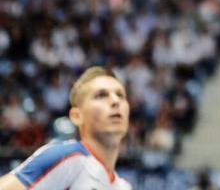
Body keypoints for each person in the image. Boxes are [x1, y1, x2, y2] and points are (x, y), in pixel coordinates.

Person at [0, 67, 132, 190]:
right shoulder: (67, 158)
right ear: (76, 116)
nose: (115, 101)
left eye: (120, 95)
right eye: (101, 95)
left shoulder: (123, 186)